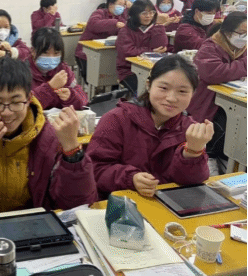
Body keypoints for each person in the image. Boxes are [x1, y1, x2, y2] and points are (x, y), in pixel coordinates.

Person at [0, 57, 97, 227]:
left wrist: (73, 151)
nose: (7, 112)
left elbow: (77, 205)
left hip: (34, 226)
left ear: (29, 99)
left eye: (16, 102)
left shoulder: (47, 136)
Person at [89, 55, 212, 198]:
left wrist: (193, 152)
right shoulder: (116, 119)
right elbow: (94, 169)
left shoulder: (190, 130)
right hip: (119, 202)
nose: (171, 98)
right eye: (163, 88)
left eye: (182, 91)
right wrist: (130, 178)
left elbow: (192, 183)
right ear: (148, 85)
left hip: (165, 204)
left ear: (193, 94)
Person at [187, 12, 247, 161]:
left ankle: (233, 162)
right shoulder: (210, 47)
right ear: (227, 32)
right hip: (209, 103)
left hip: (236, 97)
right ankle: (211, 159)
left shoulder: (243, 48)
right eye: (242, 33)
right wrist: (244, 65)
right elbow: (215, 73)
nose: (245, 38)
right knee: (221, 133)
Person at [116, 0, 170, 96]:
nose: (148, 16)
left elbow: (160, 47)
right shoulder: (125, 31)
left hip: (152, 70)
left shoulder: (153, 28)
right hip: (129, 71)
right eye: (144, 13)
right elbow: (127, 52)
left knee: (165, 88)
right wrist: (150, 51)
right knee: (146, 92)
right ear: (135, 14)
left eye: (152, 12)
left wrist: (159, 25)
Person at [29, 27, 88, 110]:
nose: (51, 57)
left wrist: (71, 96)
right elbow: (25, 107)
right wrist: (49, 88)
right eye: (45, 53)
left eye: (56, 53)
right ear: (33, 51)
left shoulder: (63, 70)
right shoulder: (22, 72)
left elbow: (84, 99)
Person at [75, 0, 127, 82]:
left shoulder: (120, 18)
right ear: (111, 5)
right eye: (120, 4)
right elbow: (93, 24)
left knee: (112, 78)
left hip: (104, 54)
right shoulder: (99, 13)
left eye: (123, 5)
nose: (122, 7)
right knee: (93, 80)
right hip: (86, 54)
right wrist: (114, 23)